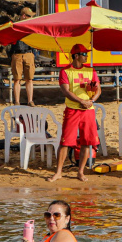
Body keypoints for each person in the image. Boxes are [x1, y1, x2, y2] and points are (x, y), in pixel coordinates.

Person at [49, 44, 100, 183]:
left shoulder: (91, 70)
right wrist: (81, 101)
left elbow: (98, 89)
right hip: (72, 109)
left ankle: (81, 171)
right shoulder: (65, 71)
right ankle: (59, 172)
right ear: (76, 56)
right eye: (84, 54)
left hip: (88, 110)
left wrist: (91, 100)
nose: (86, 56)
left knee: (86, 142)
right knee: (65, 141)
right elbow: (66, 91)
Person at [9, 7, 37, 106]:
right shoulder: (14, 26)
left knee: (29, 79)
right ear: (24, 16)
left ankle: (30, 101)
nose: (31, 18)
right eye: (29, 16)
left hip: (29, 53)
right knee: (17, 79)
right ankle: (17, 101)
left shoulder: (31, 27)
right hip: (17, 54)